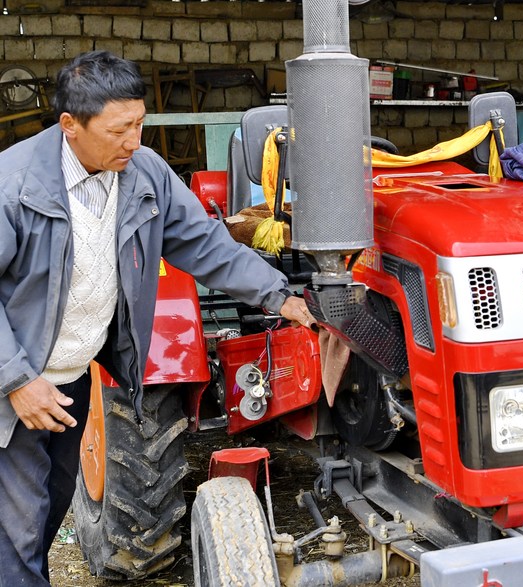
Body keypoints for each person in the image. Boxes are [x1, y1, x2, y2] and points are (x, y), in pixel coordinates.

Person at [0, 51, 313, 585]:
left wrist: (277, 295)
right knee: (19, 531)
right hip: (16, 384)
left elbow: (204, 243)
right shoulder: (14, 186)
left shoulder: (143, 173)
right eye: (121, 129)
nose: (135, 141)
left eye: (140, 123)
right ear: (70, 126)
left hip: (70, 379)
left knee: (49, 513)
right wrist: (17, 380)